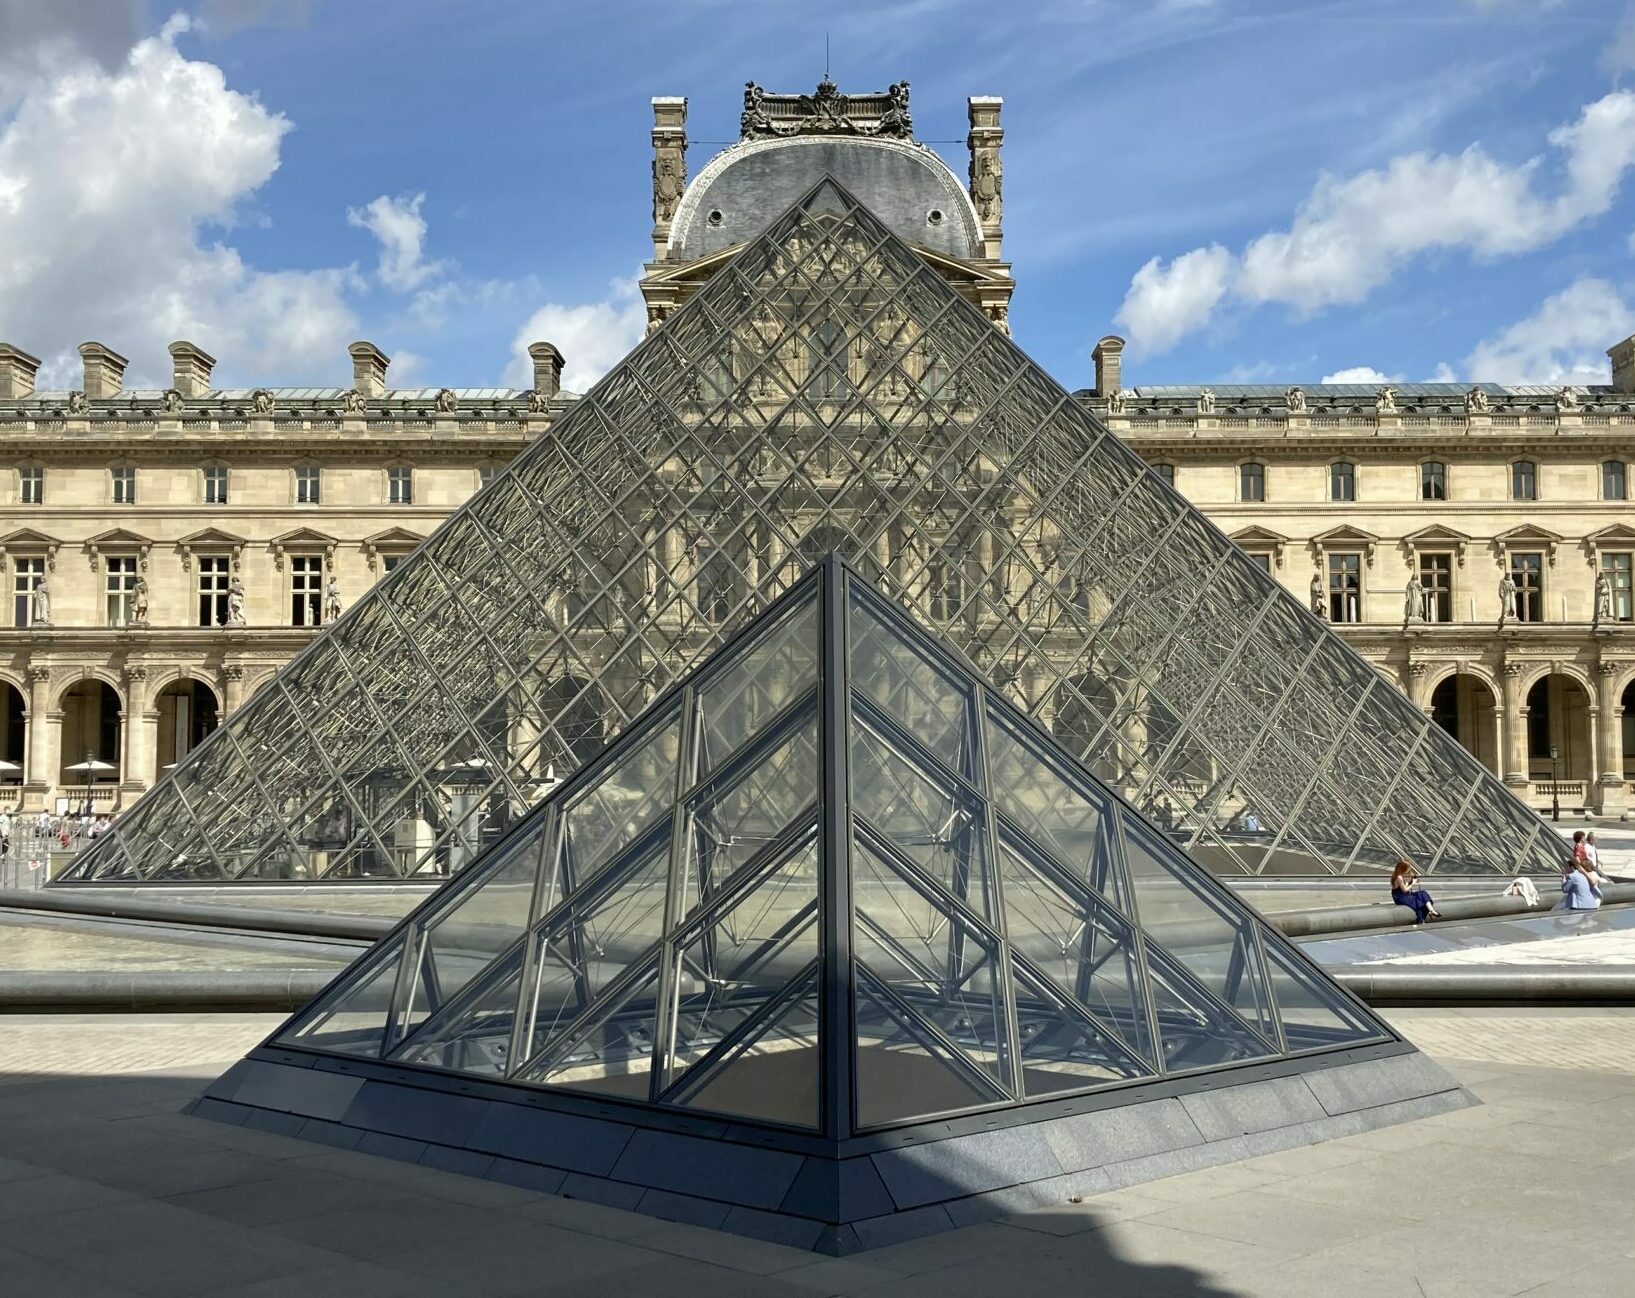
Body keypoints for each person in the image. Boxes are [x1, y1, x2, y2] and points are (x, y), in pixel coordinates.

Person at [1391, 858, 1442, 924]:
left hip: (1404, 895)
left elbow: (1403, 886)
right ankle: (1421, 918)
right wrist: (1413, 883)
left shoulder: (1397, 875)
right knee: (1418, 901)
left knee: (1422, 893)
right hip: (1400, 897)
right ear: (1403, 869)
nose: (1407, 871)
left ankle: (1431, 911)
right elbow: (1404, 890)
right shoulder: (1399, 877)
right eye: (1407, 869)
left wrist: (1411, 881)